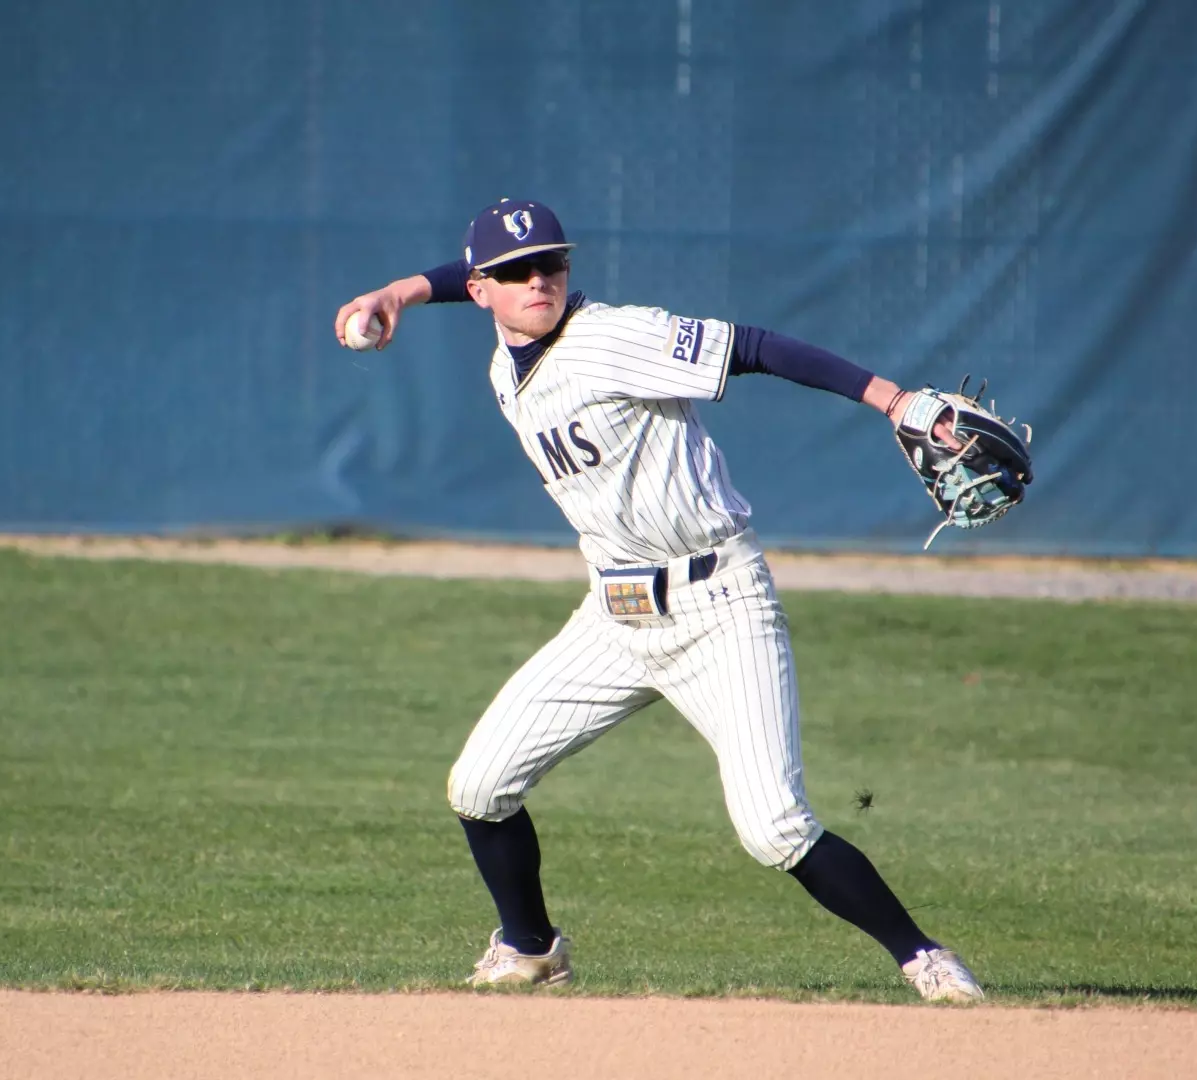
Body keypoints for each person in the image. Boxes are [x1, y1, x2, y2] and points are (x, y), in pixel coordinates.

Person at [333, 198, 985, 1002]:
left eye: (551, 263)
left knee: (775, 828)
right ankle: (531, 949)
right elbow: (461, 274)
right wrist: (399, 292)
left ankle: (924, 960)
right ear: (480, 291)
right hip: (613, 619)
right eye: (515, 271)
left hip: (719, 606)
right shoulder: (508, 363)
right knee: (479, 786)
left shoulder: (614, 336)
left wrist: (893, 399)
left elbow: (755, 347)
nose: (538, 280)